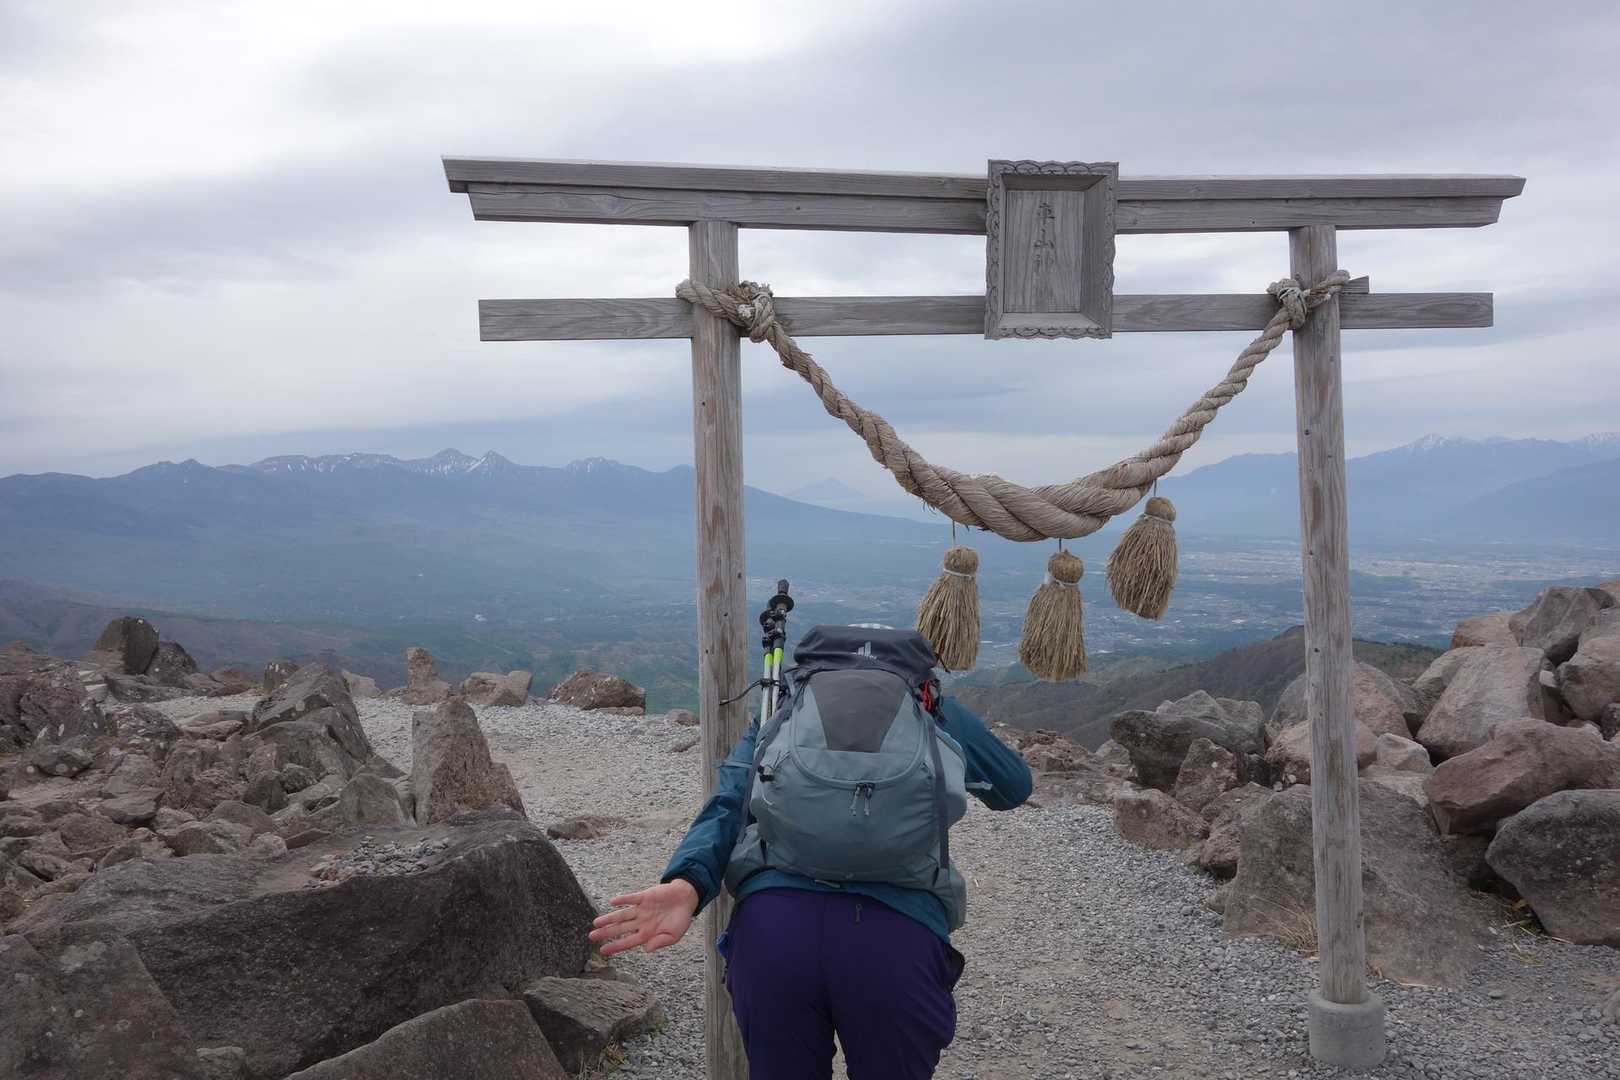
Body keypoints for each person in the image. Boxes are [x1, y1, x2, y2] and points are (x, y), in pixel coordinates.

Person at [590, 625, 1033, 1080]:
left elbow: (729, 805)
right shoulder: (931, 708)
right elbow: (1014, 788)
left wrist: (688, 883)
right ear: (917, 671)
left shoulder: (786, 708)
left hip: (775, 933)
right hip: (898, 939)